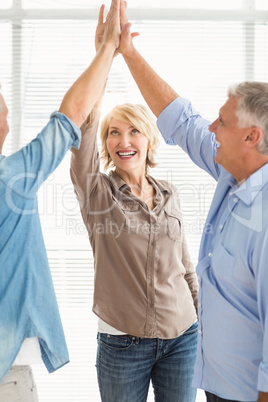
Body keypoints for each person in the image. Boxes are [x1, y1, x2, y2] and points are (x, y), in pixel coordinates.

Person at [118, 5, 268, 402]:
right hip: (219, 388)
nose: (212, 128)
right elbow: (182, 121)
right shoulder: (232, 174)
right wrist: (128, 54)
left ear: (252, 137)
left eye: (222, 121)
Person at [70, 6, 199, 402]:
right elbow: (83, 134)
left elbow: (185, 266)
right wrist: (105, 56)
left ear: (149, 139)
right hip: (122, 346)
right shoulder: (98, 194)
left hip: (184, 337)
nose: (123, 141)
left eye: (133, 131)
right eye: (113, 133)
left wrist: (203, 321)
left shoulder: (170, 194)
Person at [0, 0, 121, 400]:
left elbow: (78, 114)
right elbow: (70, 115)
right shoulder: (11, 178)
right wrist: (107, 50)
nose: (7, 110)